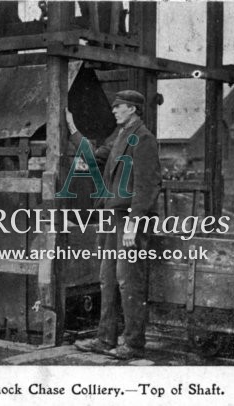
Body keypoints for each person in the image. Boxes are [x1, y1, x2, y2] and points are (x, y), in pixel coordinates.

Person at [65, 90, 161, 360]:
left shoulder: (144, 139)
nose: (115, 111)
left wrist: (133, 224)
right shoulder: (120, 136)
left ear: (133, 109)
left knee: (129, 282)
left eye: (119, 107)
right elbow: (95, 155)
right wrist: (72, 128)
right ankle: (105, 338)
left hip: (129, 219)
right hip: (112, 218)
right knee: (108, 279)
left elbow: (147, 186)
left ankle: (133, 344)